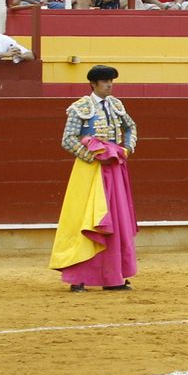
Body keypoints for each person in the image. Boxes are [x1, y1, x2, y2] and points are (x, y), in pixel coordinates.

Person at [49, 65, 139, 293]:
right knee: (85, 220)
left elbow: (131, 127)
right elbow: (67, 139)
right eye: (105, 81)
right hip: (90, 171)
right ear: (93, 84)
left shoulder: (117, 105)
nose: (109, 85)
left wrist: (125, 150)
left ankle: (113, 277)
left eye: (111, 81)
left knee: (116, 221)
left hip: (115, 170)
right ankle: (78, 277)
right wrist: (94, 156)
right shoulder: (80, 108)